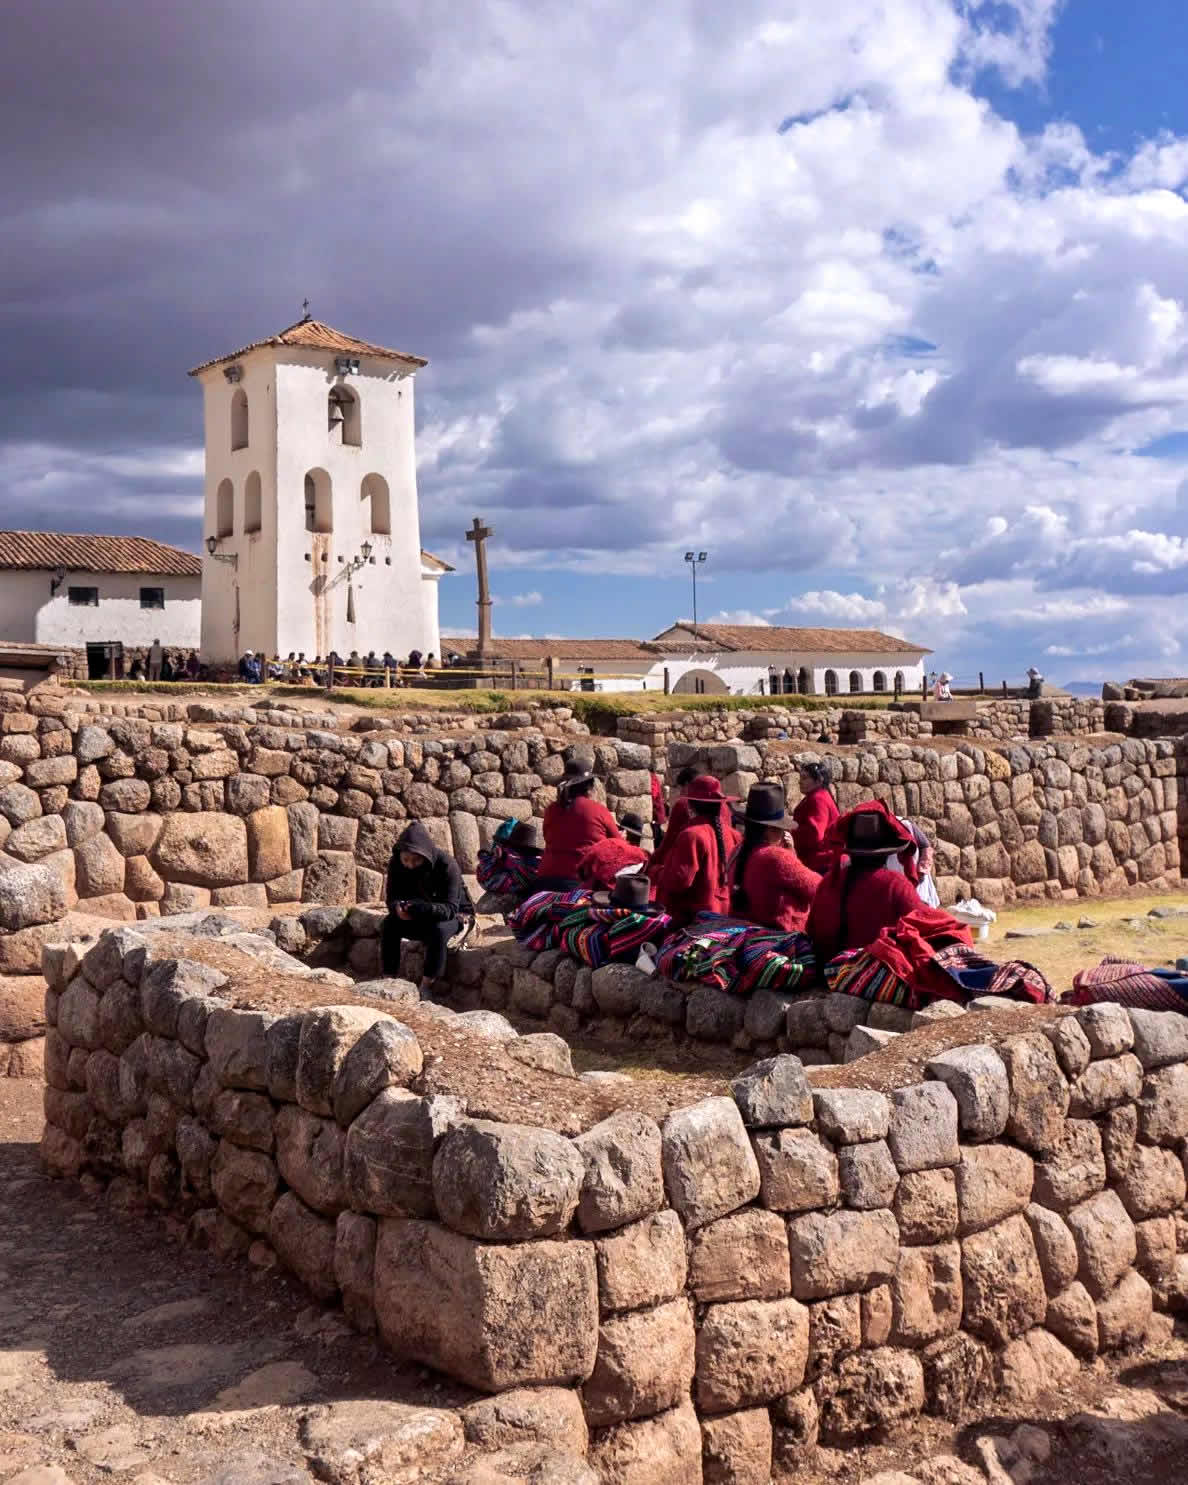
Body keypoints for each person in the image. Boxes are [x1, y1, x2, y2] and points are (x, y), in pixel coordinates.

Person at [806, 802, 926, 961]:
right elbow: (922, 930)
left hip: (828, 970)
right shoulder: (896, 885)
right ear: (886, 852)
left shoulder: (830, 881)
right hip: (873, 974)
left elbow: (812, 930)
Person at [381, 821, 473, 991]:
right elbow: (392, 897)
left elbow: (450, 909)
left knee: (438, 931)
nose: (409, 865)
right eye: (406, 860)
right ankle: (388, 980)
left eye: (416, 861)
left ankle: (426, 986)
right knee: (389, 924)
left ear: (425, 856)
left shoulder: (447, 865)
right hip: (420, 913)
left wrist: (422, 907)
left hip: (456, 916)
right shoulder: (396, 863)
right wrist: (397, 909)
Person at [731, 783, 821, 933]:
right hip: (781, 938)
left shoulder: (739, 851)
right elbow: (817, 888)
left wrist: (790, 852)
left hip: (749, 932)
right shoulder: (775, 857)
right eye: (780, 828)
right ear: (769, 829)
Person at [655, 775, 740, 925]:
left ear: (691, 805)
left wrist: (657, 872)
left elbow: (678, 881)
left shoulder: (692, 835)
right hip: (724, 916)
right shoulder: (734, 835)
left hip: (695, 920)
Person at [538, 759, 621, 888]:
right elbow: (619, 845)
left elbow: (549, 838)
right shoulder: (599, 810)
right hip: (579, 881)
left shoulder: (551, 809)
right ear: (590, 786)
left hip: (545, 878)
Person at [649, 760, 733, 873]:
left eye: (680, 788)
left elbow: (667, 845)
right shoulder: (726, 808)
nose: (680, 793)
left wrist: (651, 865)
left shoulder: (683, 806)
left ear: (688, 785)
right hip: (723, 874)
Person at [576, 810, 651, 893]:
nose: (635, 842)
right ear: (625, 834)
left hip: (589, 889)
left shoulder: (605, 844)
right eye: (634, 838)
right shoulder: (638, 856)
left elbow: (584, 866)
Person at [791, 761, 840, 875]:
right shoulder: (815, 796)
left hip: (820, 862)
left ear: (818, 781)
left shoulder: (818, 799)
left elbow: (815, 834)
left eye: (804, 778)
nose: (800, 781)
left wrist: (790, 833)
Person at [649, 769, 667, 848]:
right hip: (655, 814)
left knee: (657, 840)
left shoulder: (652, 777)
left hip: (656, 815)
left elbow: (654, 793)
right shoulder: (652, 777)